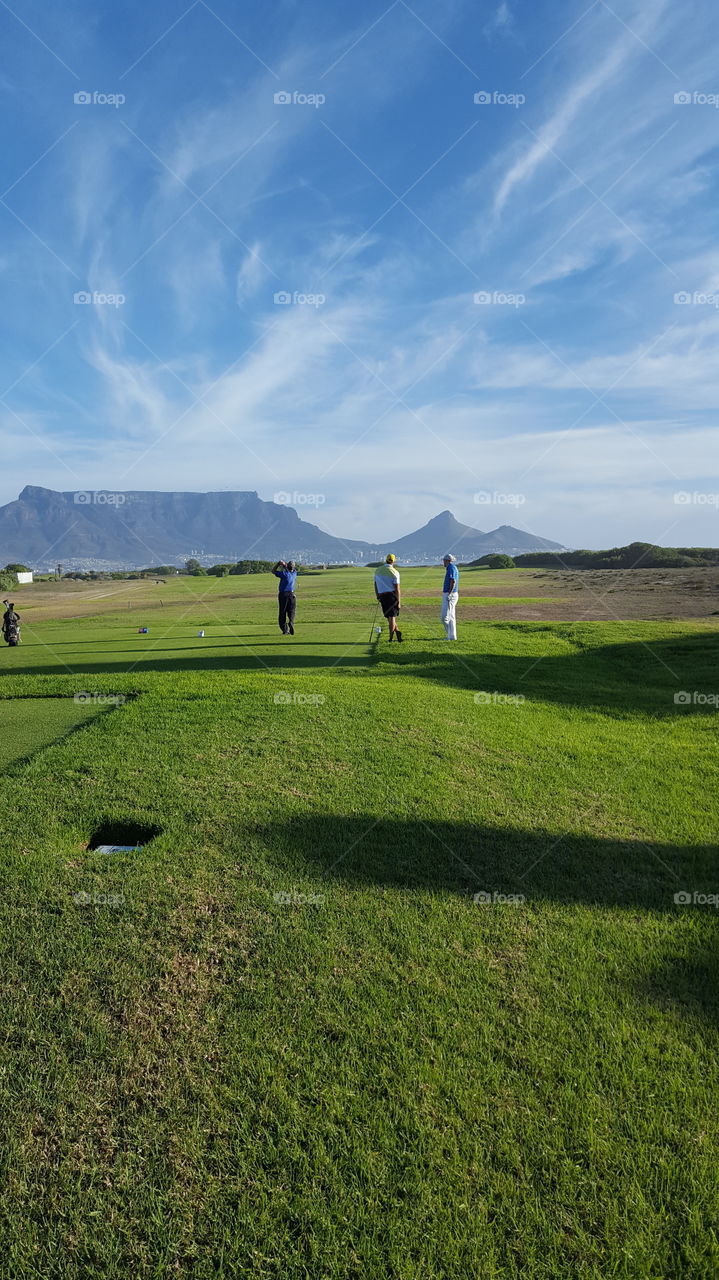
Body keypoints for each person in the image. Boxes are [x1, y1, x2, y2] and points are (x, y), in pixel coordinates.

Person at [374, 553, 402, 642]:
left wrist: (377, 595)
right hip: (392, 596)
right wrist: (399, 602)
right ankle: (390, 639)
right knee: (392, 617)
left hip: (382, 596)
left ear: (386, 560)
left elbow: (375, 584)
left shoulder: (378, 570)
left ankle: (397, 633)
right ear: (393, 561)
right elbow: (397, 589)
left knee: (389, 617)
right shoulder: (395, 572)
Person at [271, 559, 297, 635]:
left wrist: (279, 564)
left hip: (283, 595)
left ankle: (285, 630)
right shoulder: (295, 573)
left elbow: (273, 571)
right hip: (292, 595)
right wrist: (285, 565)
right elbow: (290, 568)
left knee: (282, 613)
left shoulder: (284, 574)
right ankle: (291, 622)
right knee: (292, 611)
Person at [441, 554, 459, 640]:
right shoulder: (451, 568)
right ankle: (451, 636)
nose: (443, 562)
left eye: (444, 560)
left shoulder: (451, 568)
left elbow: (453, 581)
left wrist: (449, 593)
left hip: (450, 594)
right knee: (450, 616)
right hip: (450, 593)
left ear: (447, 560)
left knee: (446, 616)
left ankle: (451, 636)